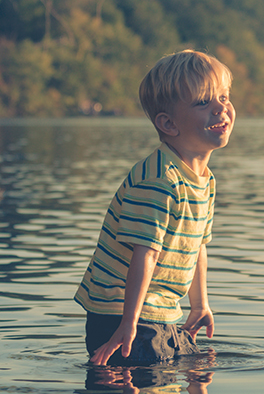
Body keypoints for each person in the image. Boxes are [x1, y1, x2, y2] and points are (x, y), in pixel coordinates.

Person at [74, 49, 235, 366]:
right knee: (149, 377)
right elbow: (144, 252)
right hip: (120, 311)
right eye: (204, 102)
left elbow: (196, 245)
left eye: (224, 97)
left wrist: (199, 305)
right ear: (168, 123)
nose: (221, 108)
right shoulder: (158, 180)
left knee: (185, 369)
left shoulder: (203, 180)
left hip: (158, 309)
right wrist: (128, 323)